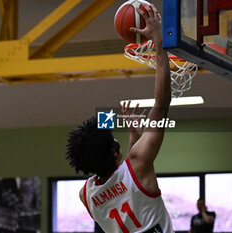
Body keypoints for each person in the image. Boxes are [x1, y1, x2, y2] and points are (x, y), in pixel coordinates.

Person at [66, 3, 174, 233]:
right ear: (116, 152)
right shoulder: (138, 163)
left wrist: (134, 138)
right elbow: (162, 105)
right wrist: (159, 45)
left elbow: (122, 179)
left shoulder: (86, 195)